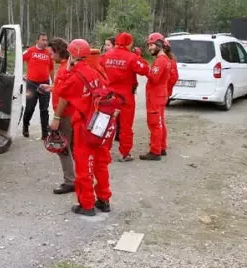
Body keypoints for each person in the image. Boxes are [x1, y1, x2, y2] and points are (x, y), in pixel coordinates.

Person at [50, 39, 112, 216]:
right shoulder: (94, 72)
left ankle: (87, 205)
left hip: (84, 125)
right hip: (99, 123)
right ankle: (104, 199)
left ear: (71, 55)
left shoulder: (75, 76)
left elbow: (60, 91)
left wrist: (65, 71)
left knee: (84, 166)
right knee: (101, 163)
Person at [102, 32, 150, 162]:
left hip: (109, 96)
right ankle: (125, 153)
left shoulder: (106, 55)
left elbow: (99, 69)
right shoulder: (131, 57)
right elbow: (144, 70)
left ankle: (104, 152)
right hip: (125, 97)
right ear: (129, 43)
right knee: (125, 126)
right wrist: (139, 57)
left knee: (107, 124)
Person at [48, 37, 75, 195]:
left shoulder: (65, 69)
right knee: (71, 147)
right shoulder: (66, 67)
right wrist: (52, 88)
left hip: (65, 114)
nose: (51, 56)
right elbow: (62, 89)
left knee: (62, 147)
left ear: (59, 52)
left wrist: (56, 118)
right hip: (68, 113)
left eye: (52, 53)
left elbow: (65, 96)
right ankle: (76, 177)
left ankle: (70, 181)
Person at [140, 32, 172, 161]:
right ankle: (161, 147)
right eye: (149, 45)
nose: (150, 48)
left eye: (152, 45)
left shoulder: (161, 61)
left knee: (154, 123)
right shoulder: (165, 60)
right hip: (160, 94)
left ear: (159, 44)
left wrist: (145, 69)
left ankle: (155, 151)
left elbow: (154, 77)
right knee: (160, 122)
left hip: (156, 96)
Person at [22, 33, 55, 140]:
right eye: (43, 40)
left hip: (45, 84)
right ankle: (25, 125)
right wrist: (21, 74)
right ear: (37, 41)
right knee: (29, 108)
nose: (45, 42)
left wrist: (53, 82)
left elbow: (51, 69)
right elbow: (19, 60)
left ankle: (45, 134)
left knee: (44, 109)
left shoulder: (49, 53)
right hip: (31, 85)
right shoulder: (30, 51)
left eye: (46, 40)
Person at [163, 43, 178, 155]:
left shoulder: (168, 61)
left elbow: (173, 78)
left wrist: (165, 89)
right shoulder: (168, 60)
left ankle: (161, 145)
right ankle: (161, 144)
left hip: (162, 94)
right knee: (160, 121)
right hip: (164, 93)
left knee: (158, 121)